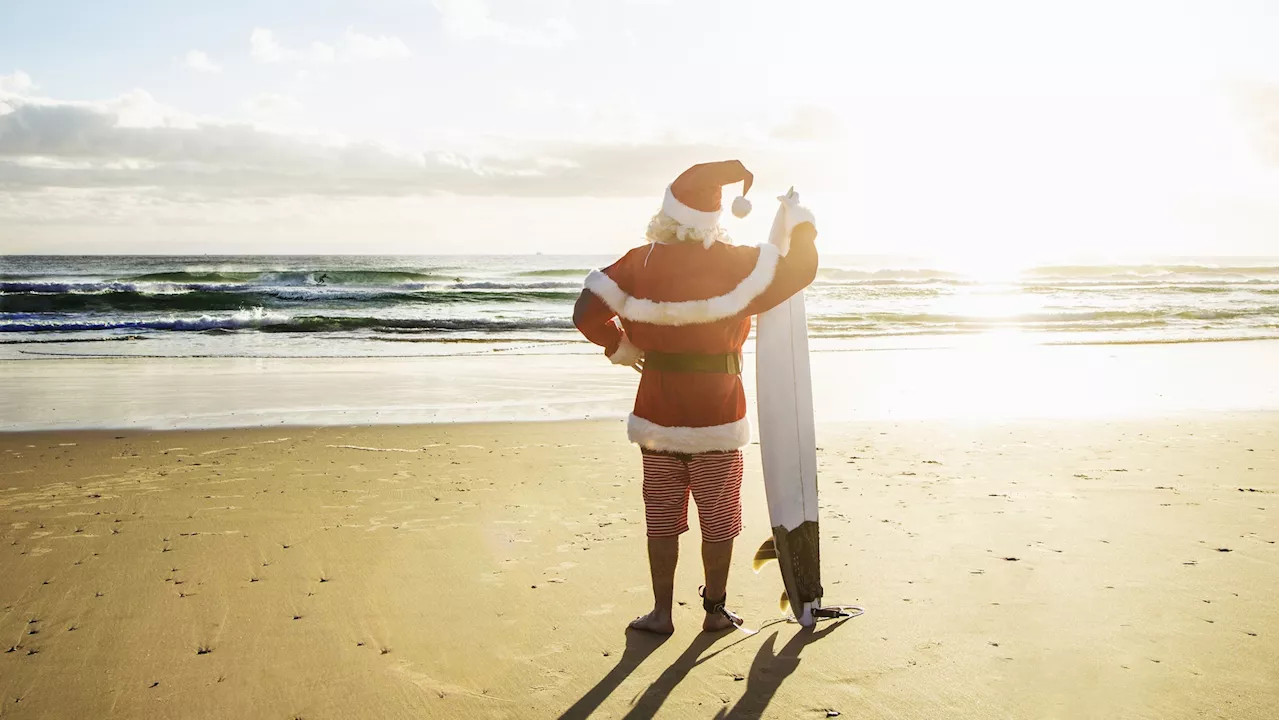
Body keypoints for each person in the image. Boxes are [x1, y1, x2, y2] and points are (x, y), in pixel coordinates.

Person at [572, 160, 819, 633]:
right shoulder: (737, 261)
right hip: (719, 411)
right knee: (719, 517)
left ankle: (662, 614)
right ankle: (715, 612)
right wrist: (800, 220)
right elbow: (802, 269)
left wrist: (620, 345)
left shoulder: (637, 262)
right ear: (713, 219)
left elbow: (585, 310)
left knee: (662, 516)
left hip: (656, 412)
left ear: (664, 215)